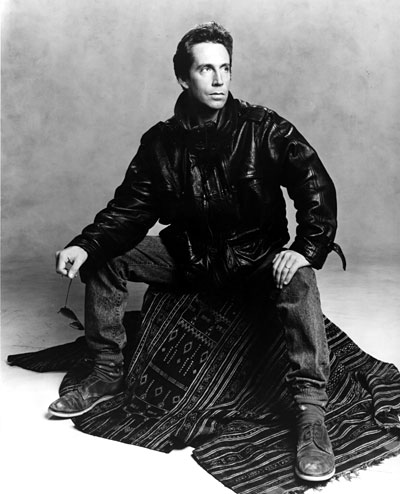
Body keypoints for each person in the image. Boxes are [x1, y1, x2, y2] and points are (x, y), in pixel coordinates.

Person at [49, 22, 345, 482]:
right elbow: (129, 211)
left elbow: (315, 186)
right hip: (189, 256)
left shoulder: (263, 128)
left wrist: (306, 248)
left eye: (226, 68)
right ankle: (107, 371)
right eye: (206, 69)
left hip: (255, 258)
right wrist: (84, 246)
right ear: (183, 77)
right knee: (107, 256)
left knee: (300, 276)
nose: (220, 79)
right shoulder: (160, 142)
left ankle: (310, 412)